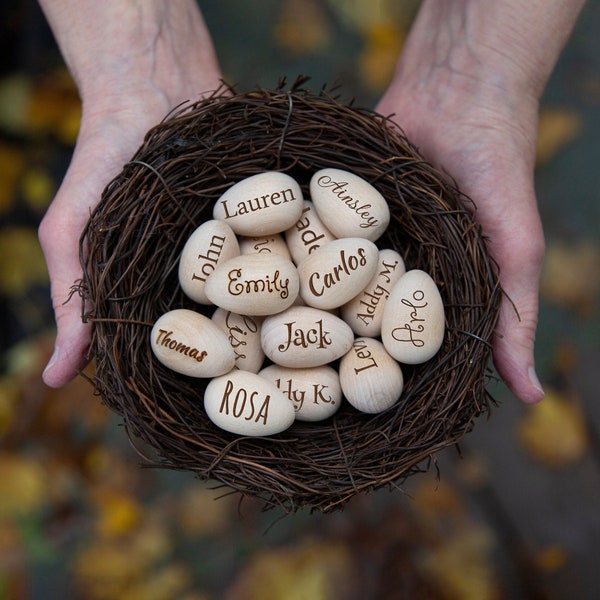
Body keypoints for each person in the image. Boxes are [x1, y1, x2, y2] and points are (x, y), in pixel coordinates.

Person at [37, 0, 586, 404]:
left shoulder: (327, 279)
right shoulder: (273, 281)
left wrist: (481, 70)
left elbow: (314, 285)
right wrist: (477, 74)